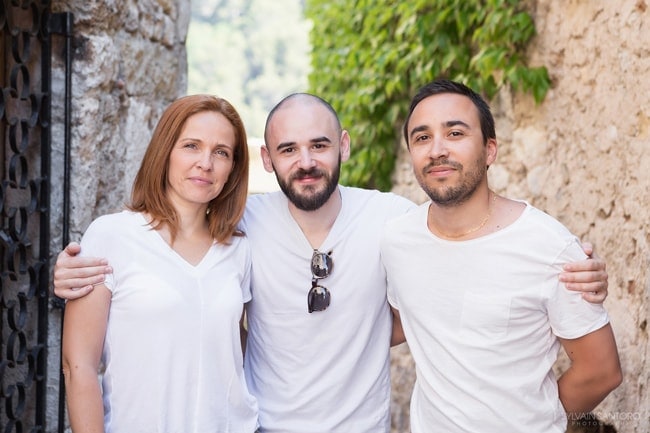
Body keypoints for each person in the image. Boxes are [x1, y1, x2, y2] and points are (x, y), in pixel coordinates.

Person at [54, 93, 609, 433]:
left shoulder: (394, 220)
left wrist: (572, 266)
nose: (307, 161)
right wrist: (67, 270)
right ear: (269, 161)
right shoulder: (240, 224)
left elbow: (464, 247)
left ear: (343, 145)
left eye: (319, 145)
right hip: (262, 428)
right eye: (289, 150)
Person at [381, 79, 622, 433]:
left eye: (455, 133)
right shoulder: (397, 240)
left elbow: (601, 371)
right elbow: (403, 321)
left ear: (490, 149)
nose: (436, 150)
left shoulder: (548, 247)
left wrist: (536, 421)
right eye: (422, 137)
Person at [61, 95, 258, 433]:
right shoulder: (111, 236)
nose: (205, 163)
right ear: (165, 151)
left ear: (233, 168)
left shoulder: (239, 249)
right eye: (191, 146)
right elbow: (78, 365)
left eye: (221, 152)